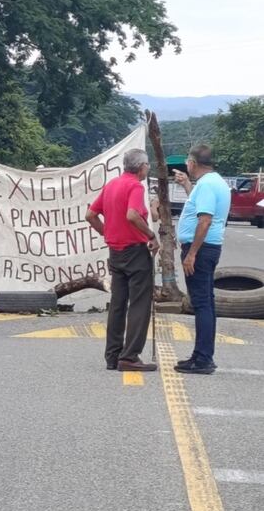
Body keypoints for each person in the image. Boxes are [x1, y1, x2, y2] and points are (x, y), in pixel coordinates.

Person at [85, 149, 159, 372]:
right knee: (139, 303)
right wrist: (151, 235)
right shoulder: (135, 186)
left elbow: (90, 215)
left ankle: (113, 355)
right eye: (147, 165)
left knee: (118, 303)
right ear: (141, 167)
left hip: (115, 251)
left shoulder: (112, 184)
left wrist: (107, 232)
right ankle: (130, 356)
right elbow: (132, 215)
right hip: (135, 251)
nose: (148, 168)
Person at [173, 144, 231, 375]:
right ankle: (201, 354)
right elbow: (200, 210)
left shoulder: (207, 184)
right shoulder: (215, 182)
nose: (186, 165)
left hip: (202, 248)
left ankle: (203, 358)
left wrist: (192, 253)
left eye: (188, 161)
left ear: (193, 163)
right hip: (209, 247)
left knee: (202, 303)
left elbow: (205, 220)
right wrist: (187, 185)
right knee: (206, 301)